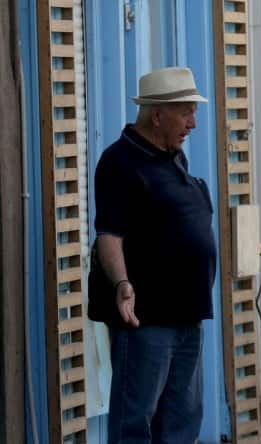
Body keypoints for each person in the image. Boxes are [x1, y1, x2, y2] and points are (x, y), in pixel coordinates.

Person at [90, 67, 216, 443]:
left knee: (181, 421)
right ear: (157, 114)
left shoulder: (173, 156)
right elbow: (109, 234)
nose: (193, 123)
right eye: (186, 113)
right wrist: (123, 283)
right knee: (136, 423)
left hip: (188, 314)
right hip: (146, 320)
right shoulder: (119, 162)